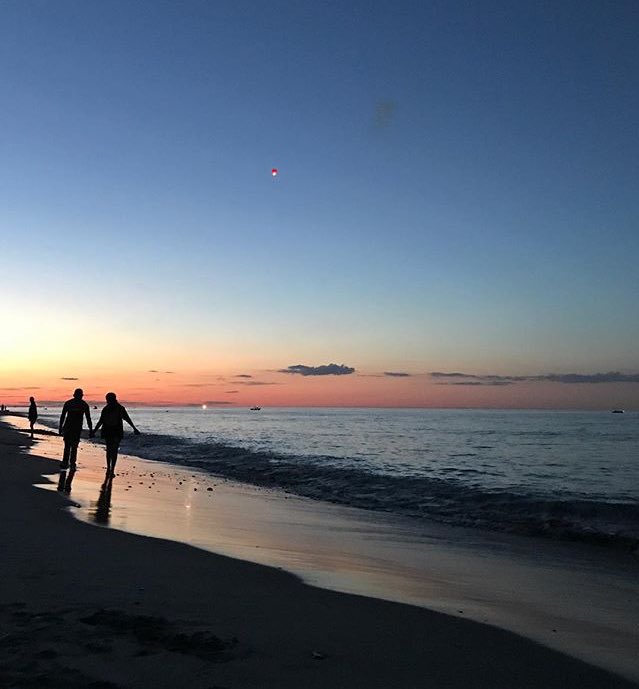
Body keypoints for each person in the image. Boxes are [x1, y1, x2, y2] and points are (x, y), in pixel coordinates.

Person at [92, 392, 140, 477]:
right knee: (112, 450)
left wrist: (134, 428)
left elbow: (126, 418)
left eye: (108, 399)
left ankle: (110, 469)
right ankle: (110, 469)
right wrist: (94, 431)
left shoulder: (111, 408)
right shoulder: (114, 408)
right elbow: (101, 421)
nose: (107, 400)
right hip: (113, 431)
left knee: (110, 450)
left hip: (112, 431)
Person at [58, 388, 92, 470]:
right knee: (70, 446)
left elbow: (88, 418)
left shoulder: (73, 404)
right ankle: (69, 463)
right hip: (71, 427)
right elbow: (63, 415)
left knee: (72, 446)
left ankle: (69, 462)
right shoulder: (82, 404)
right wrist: (60, 426)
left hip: (74, 428)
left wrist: (91, 429)